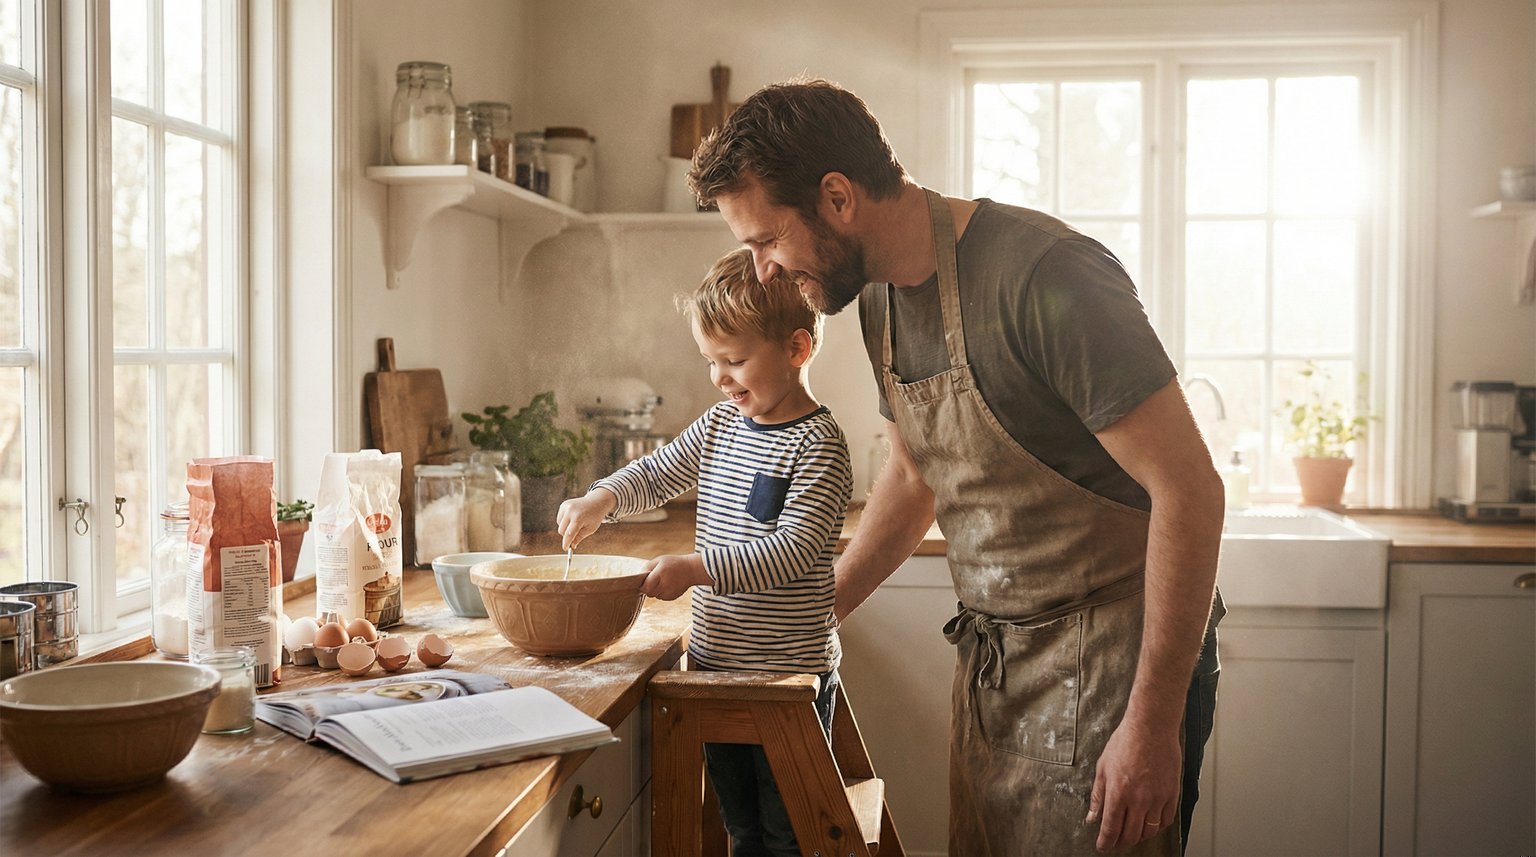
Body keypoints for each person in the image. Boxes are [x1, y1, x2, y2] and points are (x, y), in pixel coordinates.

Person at [689, 77, 1225, 856]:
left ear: (837, 198)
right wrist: (807, 620)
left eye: (766, 240)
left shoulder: (1046, 274)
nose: (764, 270)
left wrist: (1150, 724)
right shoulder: (874, 301)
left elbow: (1191, 489)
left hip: (1117, 670)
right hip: (996, 670)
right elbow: (914, 477)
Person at [557, 247, 854, 857]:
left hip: (790, 680)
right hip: (717, 667)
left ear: (798, 349)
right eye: (711, 360)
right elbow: (662, 472)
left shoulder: (819, 444)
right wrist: (603, 497)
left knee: (788, 833)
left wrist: (695, 570)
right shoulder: (721, 424)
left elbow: (793, 552)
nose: (719, 377)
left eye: (736, 360)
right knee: (742, 826)